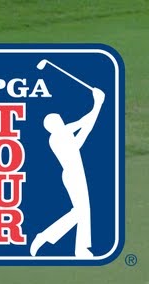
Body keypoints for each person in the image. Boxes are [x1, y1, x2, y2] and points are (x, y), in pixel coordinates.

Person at [30, 86, 105, 258]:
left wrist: (97, 105)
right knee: (80, 212)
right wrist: (98, 103)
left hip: (77, 172)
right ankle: (45, 236)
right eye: (57, 120)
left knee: (83, 211)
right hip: (72, 174)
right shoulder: (56, 137)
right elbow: (83, 124)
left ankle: (81, 249)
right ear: (52, 126)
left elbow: (84, 130)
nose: (61, 120)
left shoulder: (64, 134)